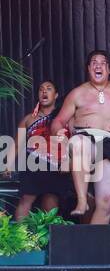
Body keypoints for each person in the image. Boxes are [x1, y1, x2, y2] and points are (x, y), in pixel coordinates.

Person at [50, 50, 110, 224]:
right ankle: (82, 200)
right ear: (88, 68)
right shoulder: (77, 93)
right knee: (78, 142)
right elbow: (58, 121)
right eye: (94, 62)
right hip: (86, 139)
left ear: (109, 69)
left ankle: (93, 245)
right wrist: (59, 132)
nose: (98, 65)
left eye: (103, 63)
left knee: (106, 201)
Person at [15, 81, 69, 220]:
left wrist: (67, 159)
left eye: (48, 89)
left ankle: (48, 239)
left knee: (51, 200)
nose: (44, 91)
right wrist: (8, 164)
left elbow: (73, 140)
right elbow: (16, 145)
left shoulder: (64, 118)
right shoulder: (28, 119)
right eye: (41, 89)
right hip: (33, 160)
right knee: (26, 198)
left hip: (56, 164)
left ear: (56, 95)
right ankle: (20, 239)